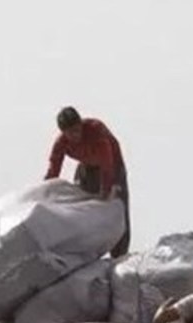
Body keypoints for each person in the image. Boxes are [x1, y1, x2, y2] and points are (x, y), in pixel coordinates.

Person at [44, 106, 131, 258]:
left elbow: (107, 164)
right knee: (81, 204)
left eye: (77, 130)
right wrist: (44, 194)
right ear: (63, 132)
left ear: (81, 125)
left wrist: (107, 191)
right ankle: (85, 250)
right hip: (87, 166)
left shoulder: (96, 131)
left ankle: (119, 255)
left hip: (113, 166)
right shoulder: (61, 143)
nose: (75, 135)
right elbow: (53, 169)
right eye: (70, 133)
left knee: (116, 208)